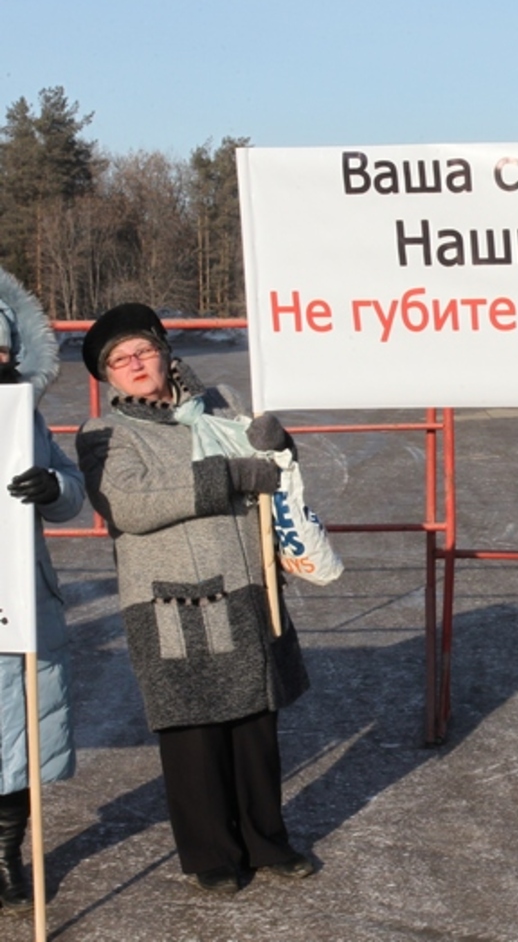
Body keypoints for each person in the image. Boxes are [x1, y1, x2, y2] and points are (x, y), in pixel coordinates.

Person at [74, 302, 312, 895]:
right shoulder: (104, 433)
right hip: (171, 601)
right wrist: (226, 476)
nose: (135, 364)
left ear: (165, 353)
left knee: (255, 725)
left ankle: (267, 841)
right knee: (193, 731)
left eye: (143, 351)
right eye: (120, 360)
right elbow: (130, 503)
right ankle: (211, 853)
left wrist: (280, 443)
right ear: (107, 375)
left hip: (246, 583)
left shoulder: (222, 404)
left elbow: (271, 466)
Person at [0, 268, 84, 915]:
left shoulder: (23, 417)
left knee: (18, 738)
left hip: (18, 600)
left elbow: (71, 491)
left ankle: (7, 853)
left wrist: (53, 489)